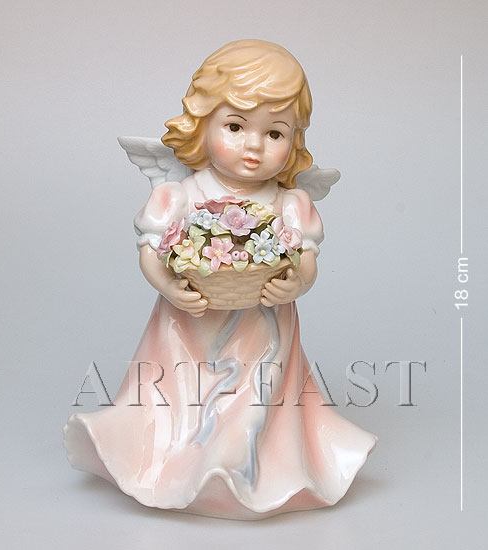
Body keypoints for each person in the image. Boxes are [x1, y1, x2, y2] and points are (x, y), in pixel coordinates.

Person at [64, 39, 377, 520]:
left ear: (294, 140)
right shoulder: (180, 194)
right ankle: (174, 465)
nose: (254, 146)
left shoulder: (291, 203)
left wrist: (295, 285)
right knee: (179, 399)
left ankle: (244, 471)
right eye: (235, 126)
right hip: (187, 325)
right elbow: (150, 253)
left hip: (263, 326)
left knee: (256, 400)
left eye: (275, 133)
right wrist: (169, 286)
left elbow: (307, 263)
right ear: (202, 125)